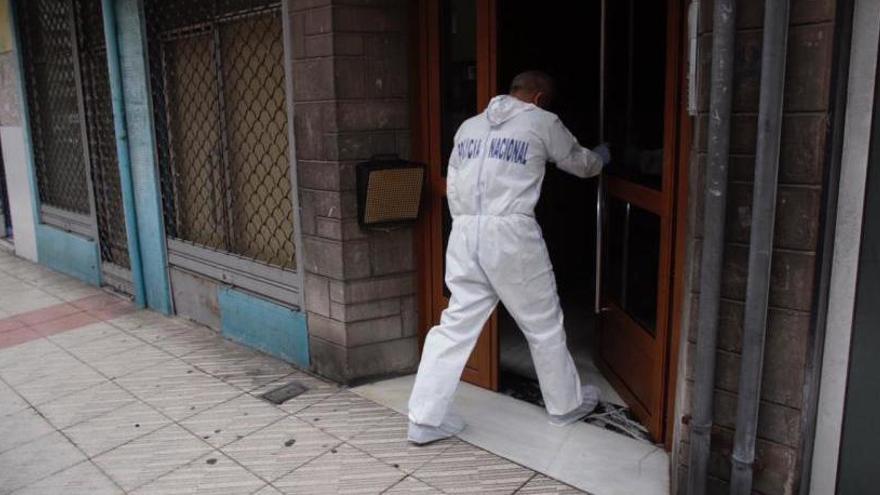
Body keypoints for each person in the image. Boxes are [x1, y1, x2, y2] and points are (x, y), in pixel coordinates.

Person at [407, 71, 611, 445]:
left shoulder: (468, 127)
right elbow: (577, 162)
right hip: (511, 234)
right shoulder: (542, 121)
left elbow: (453, 182)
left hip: (465, 232)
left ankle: (423, 419)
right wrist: (600, 159)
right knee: (542, 322)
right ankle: (565, 405)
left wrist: (471, 220)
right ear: (538, 98)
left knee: (454, 324)